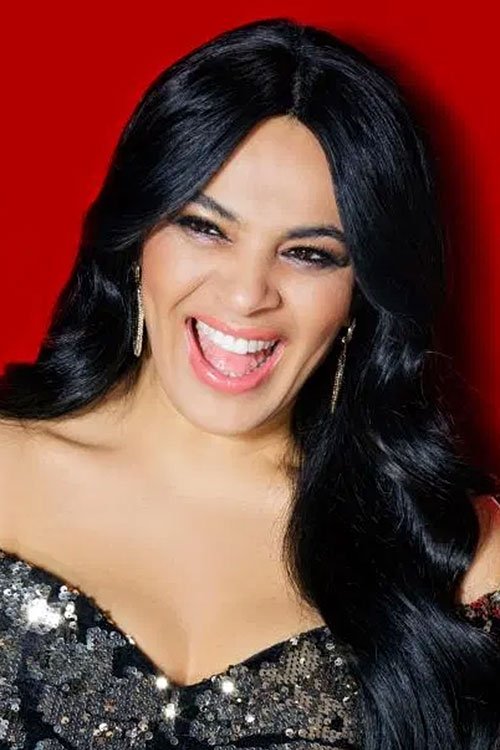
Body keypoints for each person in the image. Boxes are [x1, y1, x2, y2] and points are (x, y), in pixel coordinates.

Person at [0, 16, 498, 750]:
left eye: (308, 253)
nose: (245, 294)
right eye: (206, 228)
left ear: (360, 296)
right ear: (138, 242)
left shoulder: (454, 558)